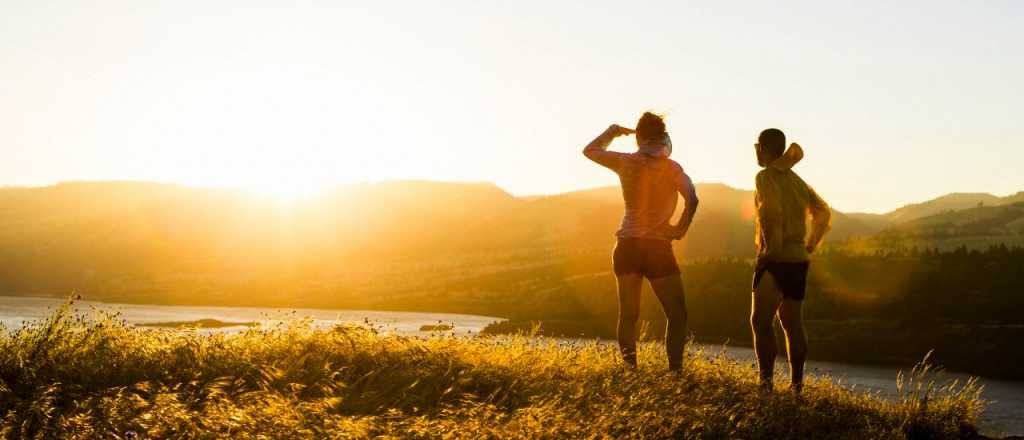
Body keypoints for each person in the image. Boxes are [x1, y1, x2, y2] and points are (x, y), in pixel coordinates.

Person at [583, 112, 699, 372]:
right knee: (677, 314)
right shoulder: (671, 167)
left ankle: (630, 373)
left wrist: (613, 131)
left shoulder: (625, 162)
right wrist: (679, 229)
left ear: (639, 137)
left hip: (626, 246)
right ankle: (675, 373)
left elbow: (590, 150)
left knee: (628, 316)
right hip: (656, 247)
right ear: (662, 136)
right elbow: (692, 198)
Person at [750, 128, 831, 393]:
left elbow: (770, 211)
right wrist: (812, 242)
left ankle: (766, 386)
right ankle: (797, 387)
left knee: (760, 321)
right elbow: (822, 211)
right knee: (792, 324)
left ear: (763, 148)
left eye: (757, 147)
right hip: (798, 259)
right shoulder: (797, 181)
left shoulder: (764, 177)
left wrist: (772, 247)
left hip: (776, 257)